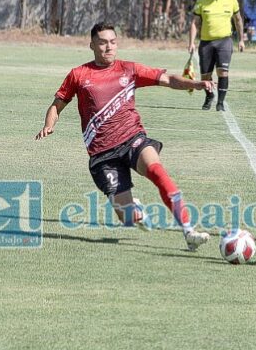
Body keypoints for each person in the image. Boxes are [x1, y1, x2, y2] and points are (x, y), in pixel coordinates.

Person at [36, 22, 214, 251]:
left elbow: (168, 79)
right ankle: (135, 211)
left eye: (113, 42)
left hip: (133, 139)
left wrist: (197, 84)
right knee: (128, 217)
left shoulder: (128, 69)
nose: (109, 47)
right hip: (102, 155)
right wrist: (48, 125)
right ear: (91, 45)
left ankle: (189, 231)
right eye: (102, 43)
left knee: (158, 172)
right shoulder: (79, 75)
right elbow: (56, 106)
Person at [188, 0, 245, 111]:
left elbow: (238, 20)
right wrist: (191, 42)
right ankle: (209, 95)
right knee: (205, 76)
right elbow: (195, 23)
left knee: (223, 72)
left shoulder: (231, 0)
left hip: (224, 41)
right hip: (206, 43)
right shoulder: (202, 1)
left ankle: (220, 102)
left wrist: (242, 40)